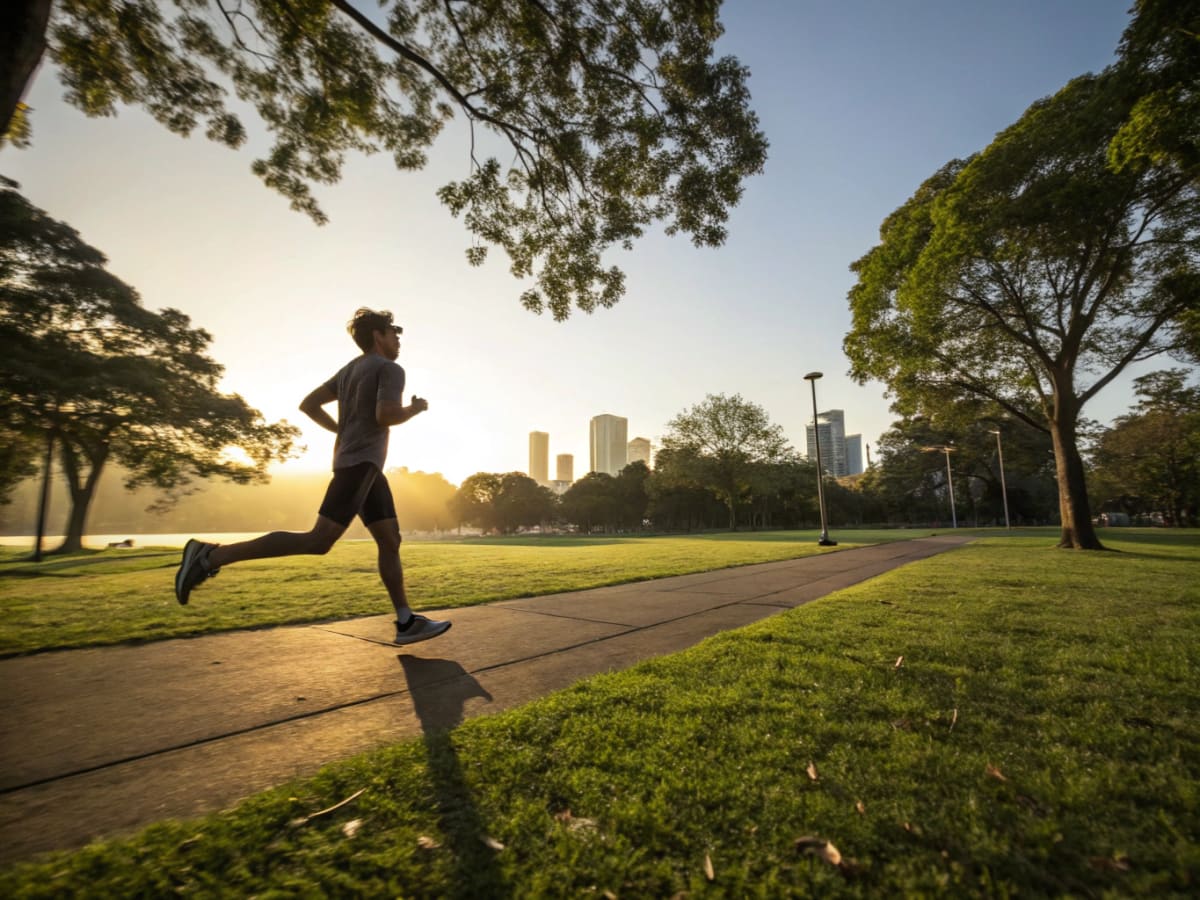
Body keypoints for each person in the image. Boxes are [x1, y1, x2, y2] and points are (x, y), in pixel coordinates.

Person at [174, 308, 451, 646]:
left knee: (390, 539)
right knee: (319, 541)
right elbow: (385, 414)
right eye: (394, 331)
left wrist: (344, 430)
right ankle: (210, 556)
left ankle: (406, 621)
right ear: (378, 335)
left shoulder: (349, 371)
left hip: (362, 466)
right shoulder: (390, 369)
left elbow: (309, 404)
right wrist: (415, 409)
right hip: (360, 464)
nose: (398, 338)